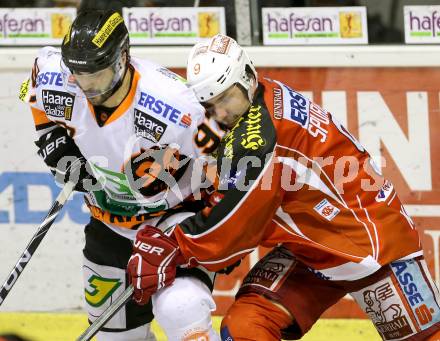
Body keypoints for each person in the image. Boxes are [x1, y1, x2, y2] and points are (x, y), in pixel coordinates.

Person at [126, 34, 440, 341]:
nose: (220, 113)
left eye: (225, 99)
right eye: (210, 105)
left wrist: (172, 246)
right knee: (246, 327)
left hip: (369, 244)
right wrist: (185, 169)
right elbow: (235, 173)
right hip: (311, 247)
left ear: (247, 76)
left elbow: (231, 227)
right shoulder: (259, 99)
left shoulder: (262, 138)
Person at [20, 10, 225, 341]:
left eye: (97, 76)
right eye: (79, 76)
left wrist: (215, 229)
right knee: (117, 338)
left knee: (181, 309)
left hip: (173, 223)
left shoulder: (176, 105)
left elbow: (227, 159)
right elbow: (32, 88)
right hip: (110, 224)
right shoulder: (56, 75)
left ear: (122, 59)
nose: (87, 87)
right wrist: (50, 136)